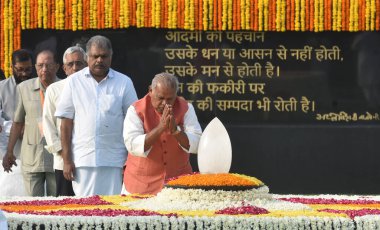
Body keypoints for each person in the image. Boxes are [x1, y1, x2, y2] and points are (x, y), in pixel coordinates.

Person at [55, 35, 138, 196]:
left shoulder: (124, 82)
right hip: (83, 160)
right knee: (86, 211)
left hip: (115, 160)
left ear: (111, 57)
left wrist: (131, 160)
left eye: (104, 56)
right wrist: (66, 159)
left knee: (114, 211)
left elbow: (133, 121)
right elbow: (65, 123)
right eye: (95, 56)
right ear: (87, 57)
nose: (99, 60)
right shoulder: (74, 82)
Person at [123, 72, 202, 195]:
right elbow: (133, 146)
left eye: (170, 99)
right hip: (140, 185)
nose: (165, 103)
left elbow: (197, 144)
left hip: (178, 185)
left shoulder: (186, 108)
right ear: (150, 91)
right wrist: (161, 127)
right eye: (160, 98)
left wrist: (176, 131)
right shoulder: (135, 110)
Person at [3, 49, 60, 196]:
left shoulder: (65, 87)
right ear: (36, 67)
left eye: (48, 65)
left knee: (58, 206)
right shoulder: (24, 88)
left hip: (57, 156)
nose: (44, 69)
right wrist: (9, 152)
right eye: (40, 65)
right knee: (33, 206)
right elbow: (17, 122)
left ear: (57, 66)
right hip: (31, 155)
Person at [43, 45, 87, 196]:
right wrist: (64, 153)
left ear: (86, 65)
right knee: (65, 206)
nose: (75, 68)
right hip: (63, 161)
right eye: (70, 64)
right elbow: (48, 124)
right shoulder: (54, 90)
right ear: (64, 68)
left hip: (88, 159)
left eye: (79, 63)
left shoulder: (94, 89)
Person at [0, 49, 34, 196]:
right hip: (6, 150)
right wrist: (16, 128)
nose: (24, 74)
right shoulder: (1, 87)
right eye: (20, 70)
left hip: (34, 148)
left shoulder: (40, 84)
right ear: (12, 67)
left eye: (28, 69)